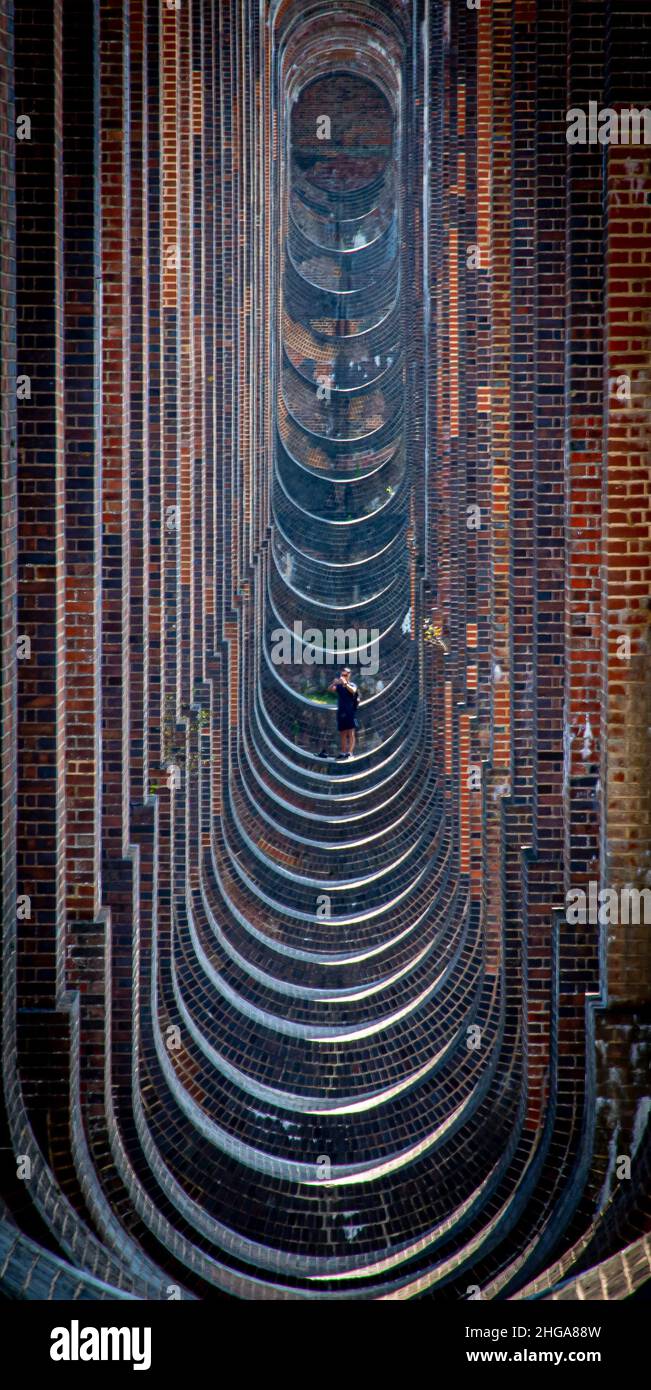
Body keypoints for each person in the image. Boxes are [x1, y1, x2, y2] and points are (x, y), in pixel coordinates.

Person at [329, 666, 359, 759]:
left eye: (345, 675)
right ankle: (343, 752)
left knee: (351, 733)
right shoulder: (339, 686)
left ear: (349, 675)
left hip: (350, 711)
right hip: (341, 712)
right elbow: (330, 689)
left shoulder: (352, 685)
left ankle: (350, 753)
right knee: (342, 733)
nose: (343, 676)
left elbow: (353, 691)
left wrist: (345, 683)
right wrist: (334, 683)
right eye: (342, 675)